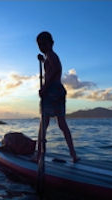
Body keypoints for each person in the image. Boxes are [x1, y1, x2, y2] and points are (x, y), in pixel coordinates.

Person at [34, 31, 79, 163]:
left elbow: (55, 70)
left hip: (52, 92)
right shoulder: (49, 57)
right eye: (39, 45)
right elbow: (51, 68)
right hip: (57, 92)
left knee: (44, 123)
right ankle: (73, 155)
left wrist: (45, 88)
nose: (41, 46)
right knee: (61, 124)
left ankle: (38, 155)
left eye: (44, 43)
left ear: (51, 43)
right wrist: (43, 61)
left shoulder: (52, 56)